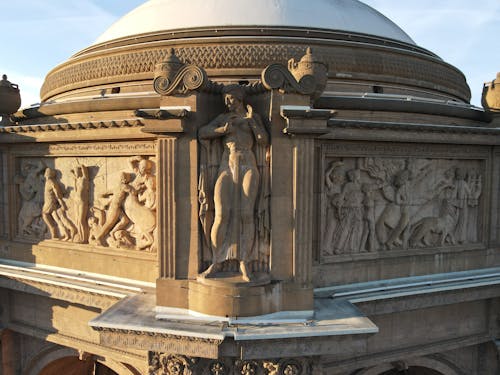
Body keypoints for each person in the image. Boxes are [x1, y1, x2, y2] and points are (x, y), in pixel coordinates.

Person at [198, 85, 269, 281]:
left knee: (247, 214)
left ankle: (245, 262)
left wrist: (253, 122)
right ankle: (216, 261)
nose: (228, 102)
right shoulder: (223, 118)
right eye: (226, 99)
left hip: (248, 164)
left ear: (239, 98)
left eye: (231, 99)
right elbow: (203, 132)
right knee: (221, 214)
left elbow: (263, 141)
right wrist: (222, 130)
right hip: (226, 166)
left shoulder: (253, 118)